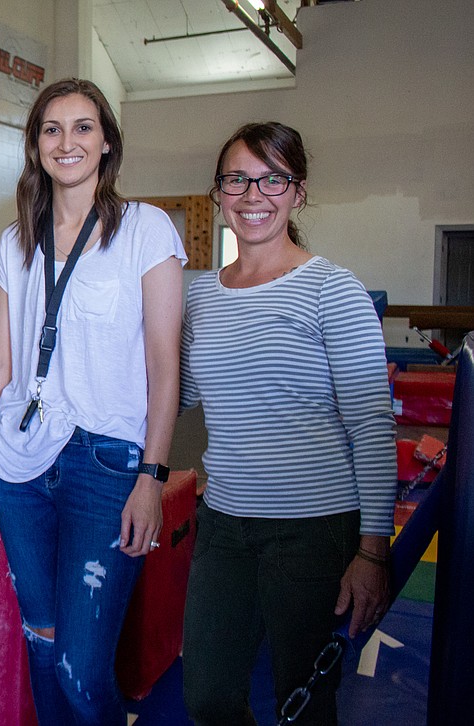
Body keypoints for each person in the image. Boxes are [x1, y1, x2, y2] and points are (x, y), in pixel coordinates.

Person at [0, 78, 186, 725]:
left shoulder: (145, 229)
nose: (67, 141)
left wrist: (152, 475)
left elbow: (164, 366)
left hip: (106, 463)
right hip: (19, 462)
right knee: (43, 641)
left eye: (83, 127)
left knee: (81, 670)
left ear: (107, 142)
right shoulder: (16, 240)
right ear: (34, 145)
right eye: (52, 129)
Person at [179, 122, 396, 725]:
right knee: (209, 695)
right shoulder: (201, 296)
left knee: (303, 702)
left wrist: (373, 551)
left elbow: (373, 426)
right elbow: (182, 395)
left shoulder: (333, 289)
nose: (254, 195)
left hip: (314, 530)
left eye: (273, 178)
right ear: (218, 193)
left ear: (297, 192)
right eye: (238, 180)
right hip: (224, 525)